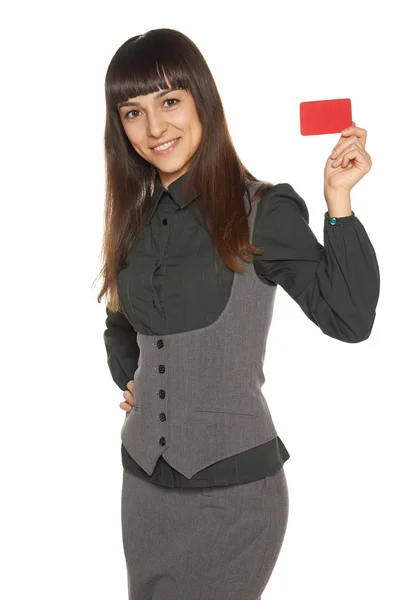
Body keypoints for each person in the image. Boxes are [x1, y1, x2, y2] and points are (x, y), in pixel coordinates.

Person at [97, 28, 380, 600]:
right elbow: (120, 324)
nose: (155, 128)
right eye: (134, 111)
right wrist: (133, 378)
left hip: (235, 496)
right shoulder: (135, 222)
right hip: (143, 487)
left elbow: (349, 318)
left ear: (203, 99)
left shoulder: (260, 210)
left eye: (170, 101)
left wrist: (339, 202)